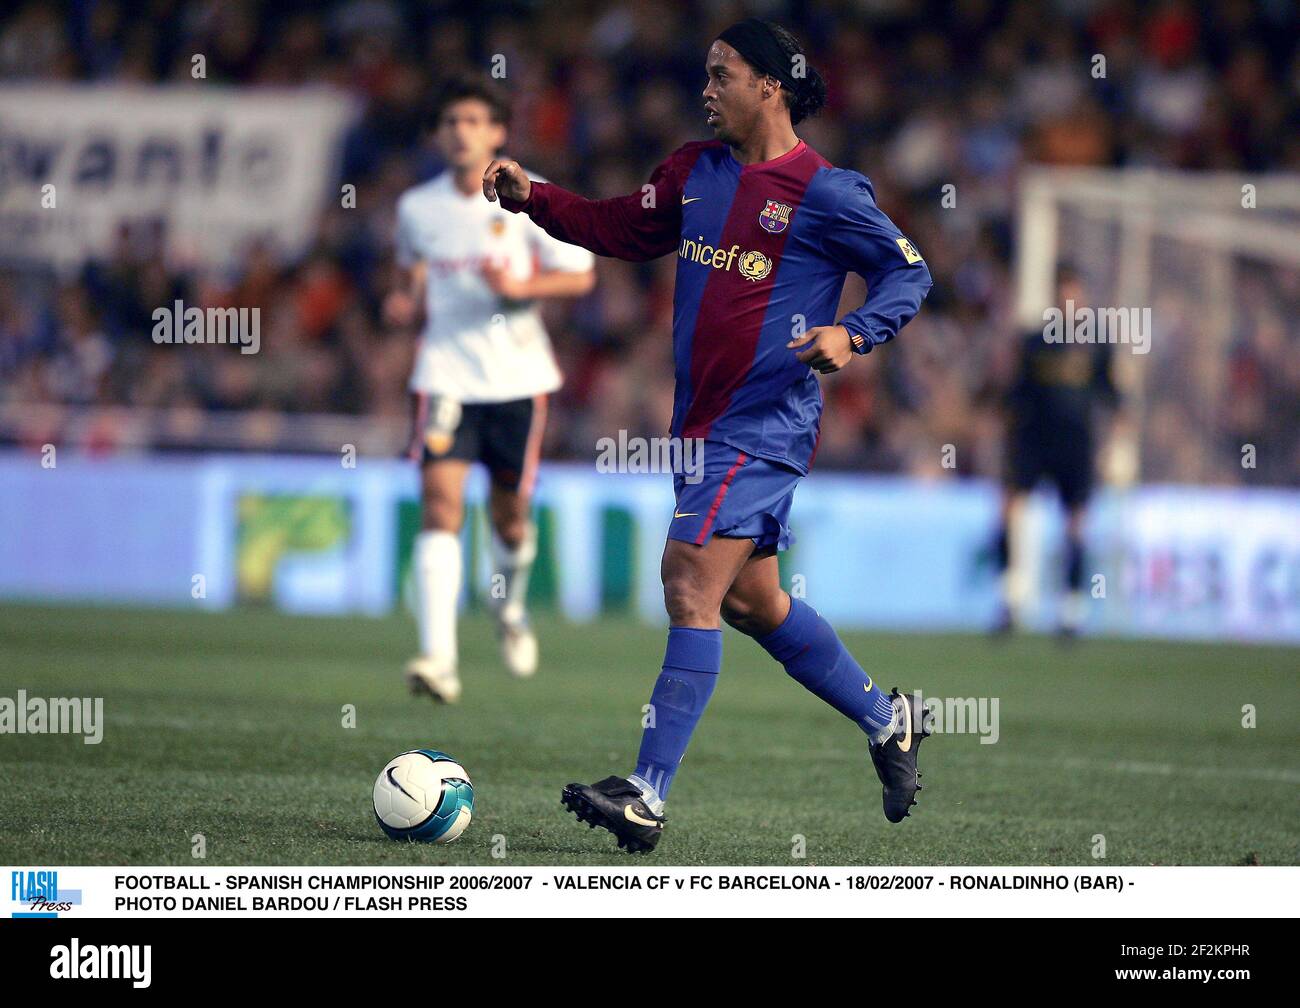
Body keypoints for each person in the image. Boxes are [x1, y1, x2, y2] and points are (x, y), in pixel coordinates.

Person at [485, 19, 932, 853]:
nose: (707, 88)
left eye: (722, 74)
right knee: (750, 602)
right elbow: (618, 228)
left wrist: (855, 333)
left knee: (688, 577)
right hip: (699, 426)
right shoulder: (694, 173)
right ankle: (888, 718)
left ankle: (646, 794)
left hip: (763, 425)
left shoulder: (828, 192)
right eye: (706, 73)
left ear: (771, 85)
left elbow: (911, 270)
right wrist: (534, 197)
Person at [390, 78, 595, 702]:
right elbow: (411, 271)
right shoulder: (416, 209)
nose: (461, 131)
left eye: (475, 120)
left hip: (518, 380)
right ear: (436, 133)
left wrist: (520, 291)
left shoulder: (526, 198)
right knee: (441, 508)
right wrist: (404, 298)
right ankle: (438, 659)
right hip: (445, 375)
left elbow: (580, 275)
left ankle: (508, 611)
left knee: (509, 521)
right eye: (450, 120)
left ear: (498, 132)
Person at [993, 267, 1122, 638]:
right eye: (1062, 295)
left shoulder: (1097, 344)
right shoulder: (1033, 341)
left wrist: (1115, 444)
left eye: (1073, 295)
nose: (1068, 303)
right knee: (1009, 512)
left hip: (1077, 445)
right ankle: (1010, 598)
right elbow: (1015, 394)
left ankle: (1071, 609)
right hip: (1033, 441)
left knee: (1076, 525)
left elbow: (1111, 395)